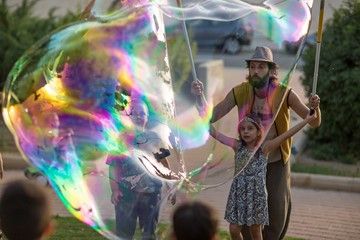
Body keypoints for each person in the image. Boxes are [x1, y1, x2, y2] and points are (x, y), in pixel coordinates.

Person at [191, 46, 321, 239]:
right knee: (246, 209)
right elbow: (212, 116)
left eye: (261, 67)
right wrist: (199, 98)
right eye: (253, 66)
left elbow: (314, 121)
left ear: (271, 71)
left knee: (276, 206)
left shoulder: (284, 93)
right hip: (248, 161)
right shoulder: (240, 92)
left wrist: (315, 108)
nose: (256, 71)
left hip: (275, 158)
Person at [210, 111, 316, 240]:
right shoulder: (237, 146)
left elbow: (287, 135)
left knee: (255, 231)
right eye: (242, 129)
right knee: (234, 229)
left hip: (257, 195)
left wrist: (306, 121)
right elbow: (215, 134)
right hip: (238, 194)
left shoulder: (264, 149)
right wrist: (201, 113)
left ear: (258, 131)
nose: (246, 131)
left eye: (250, 128)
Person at [107, 99, 175, 239]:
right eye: (134, 113)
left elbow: (163, 163)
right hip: (126, 194)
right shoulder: (120, 140)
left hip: (151, 194)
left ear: (147, 117)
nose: (138, 116)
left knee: (149, 233)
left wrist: (170, 184)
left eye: (142, 114)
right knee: (124, 233)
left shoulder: (155, 138)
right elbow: (114, 167)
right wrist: (115, 189)